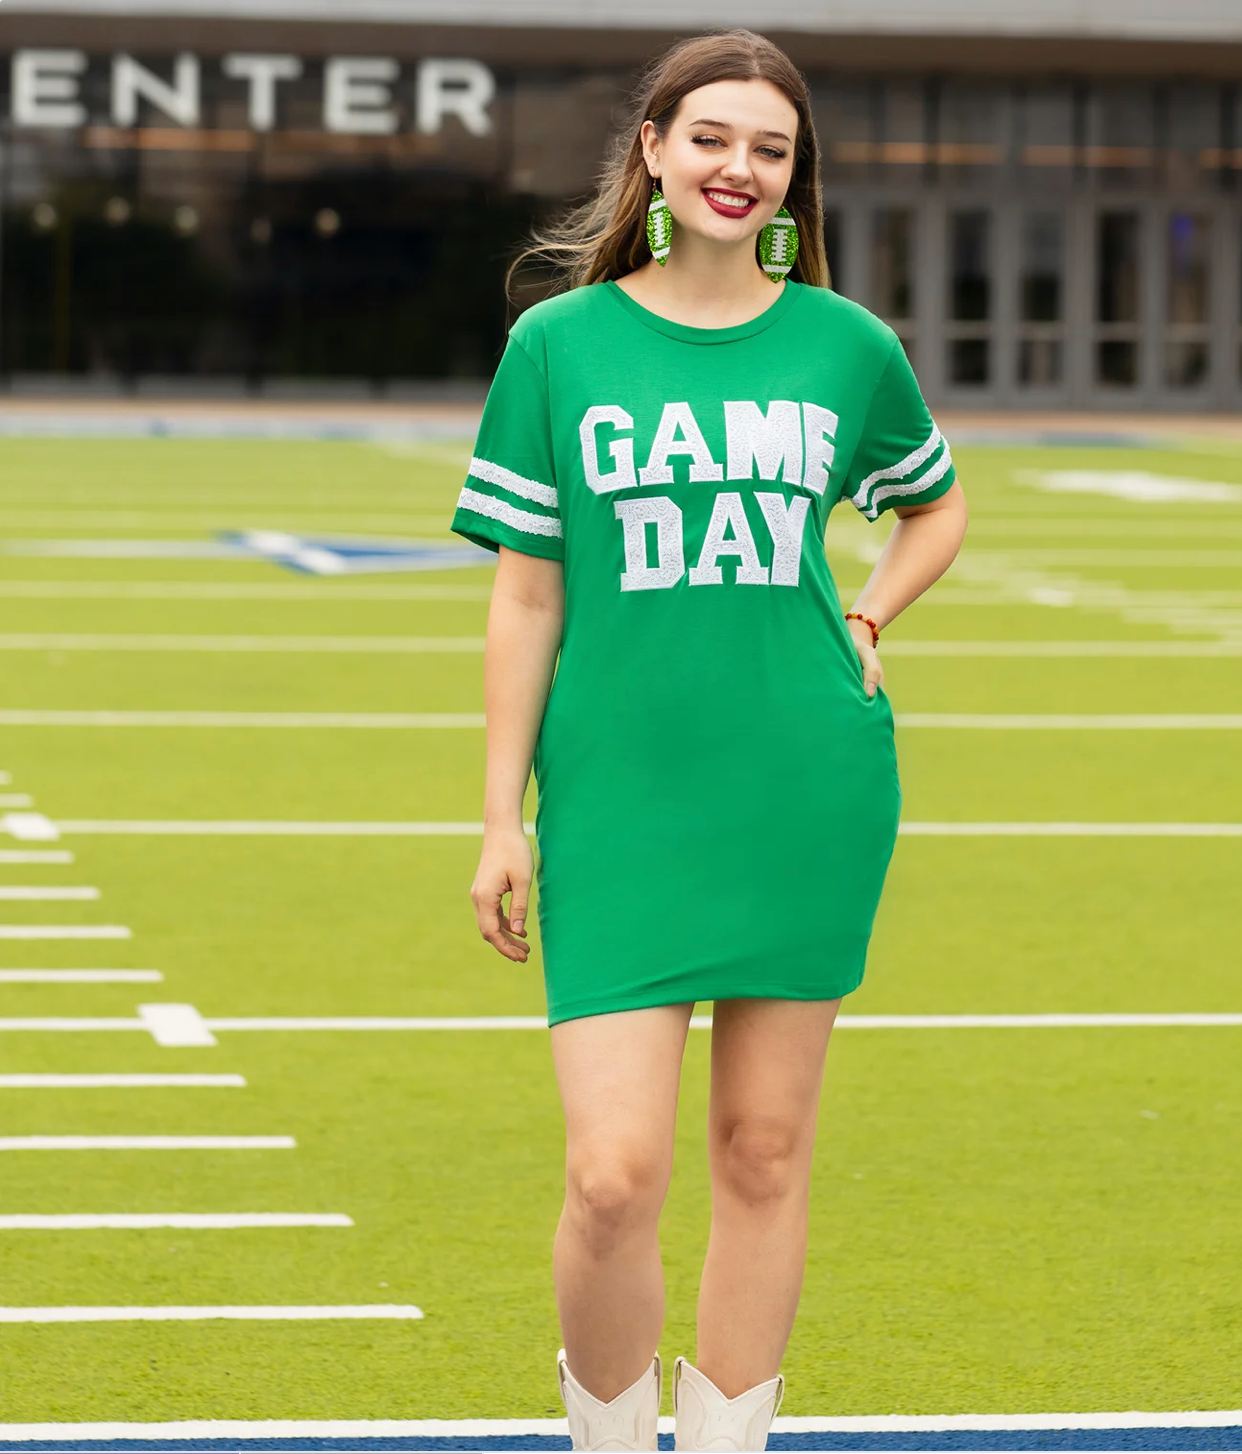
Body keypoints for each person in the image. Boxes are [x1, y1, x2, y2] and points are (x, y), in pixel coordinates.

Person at [454, 28, 967, 1453]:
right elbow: (527, 589)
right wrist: (504, 814)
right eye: (714, 139)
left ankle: (731, 1442)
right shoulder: (559, 344)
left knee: (763, 1148)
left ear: (795, 178)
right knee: (615, 1171)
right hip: (619, 794)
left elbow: (933, 502)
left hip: (804, 781)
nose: (740, 168)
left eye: (772, 148)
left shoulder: (845, 344)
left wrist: (868, 618)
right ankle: (610, 1437)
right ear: (656, 153)